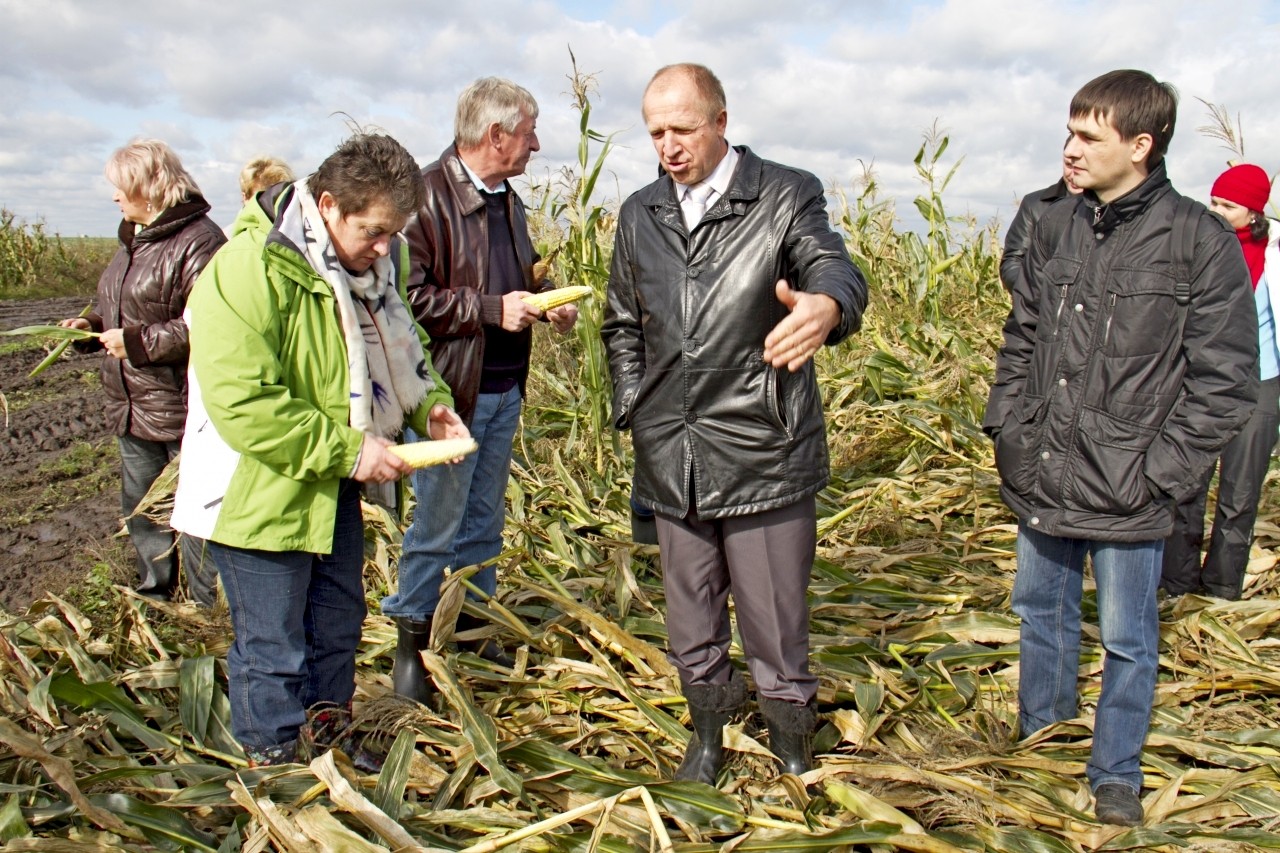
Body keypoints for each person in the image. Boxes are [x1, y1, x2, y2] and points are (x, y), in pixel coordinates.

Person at [984, 70, 1258, 826]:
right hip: (1044, 468)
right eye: (1069, 132)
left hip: (1130, 487)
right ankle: (1044, 740)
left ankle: (1114, 775)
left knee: (1130, 640)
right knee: (1040, 609)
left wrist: (1160, 474)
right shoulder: (1054, 223)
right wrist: (1008, 425)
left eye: (1087, 137)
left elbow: (1225, 383)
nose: (1069, 150)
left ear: (1140, 146)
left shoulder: (1199, 242)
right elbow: (1024, 337)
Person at [602, 63, 867, 783]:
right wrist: (635, 406)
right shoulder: (639, 213)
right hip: (671, 453)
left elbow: (834, 268)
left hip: (762, 446)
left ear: (721, 120)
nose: (668, 146)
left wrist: (827, 307)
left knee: (775, 616)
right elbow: (621, 323)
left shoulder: (785, 194)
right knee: (690, 619)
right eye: (656, 132)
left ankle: (789, 742)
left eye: (682, 129)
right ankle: (709, 736)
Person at [170, 133, 467, 766]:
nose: (388, 247)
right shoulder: (245, 270)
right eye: (375, 231)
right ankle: (273, 762)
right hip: (255, 493)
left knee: (337, 620)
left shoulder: (374, 269)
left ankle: (328, 734)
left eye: (395, 231)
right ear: (327, 205)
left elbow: (403, 347)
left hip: (331, 484)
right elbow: (246, 406)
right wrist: (353, 452)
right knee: (273, 642)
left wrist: (430, 406)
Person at [381, 77, 578, 704]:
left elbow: (513, 279)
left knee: (485, 522)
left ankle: (470, 624)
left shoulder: (507, 200)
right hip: (450, 396)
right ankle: (411, 644)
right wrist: (494, 309)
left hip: (503, 389)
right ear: (496, 136)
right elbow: (404, 304)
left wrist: (545, 304)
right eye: (528, 133)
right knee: (436, 524)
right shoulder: (422, 200)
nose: (536, 144)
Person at [61, 139, 224, 606]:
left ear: (149, 189)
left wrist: (135, 343)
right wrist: (90, 325)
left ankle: (205, 607)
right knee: (142, 511)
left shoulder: (201, 242)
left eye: (120, 188)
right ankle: (155, 595)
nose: (114, 197)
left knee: (194, 513)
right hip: (133, 406)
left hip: (181, 407)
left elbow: (210, 326)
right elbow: (120, 305)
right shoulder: (133, 239)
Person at [1163, 164, 1278, 599]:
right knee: (1187, 485)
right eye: (1212, 201)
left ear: (1253, 213)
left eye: (1227, 205)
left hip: (1260, 382)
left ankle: (1221, 590)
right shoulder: (1202, 249)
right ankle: (1176, 583)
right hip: (1203, 381)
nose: (1215, 211)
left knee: (1239, 494)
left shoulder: (1274, 255)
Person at [1000, 146, 1083, 292]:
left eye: (1081, 167)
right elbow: (1012, 261)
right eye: (1069, 165)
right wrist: (1037, 295)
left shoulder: (1112, 206)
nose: (1073, 174)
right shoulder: (1034, 204)